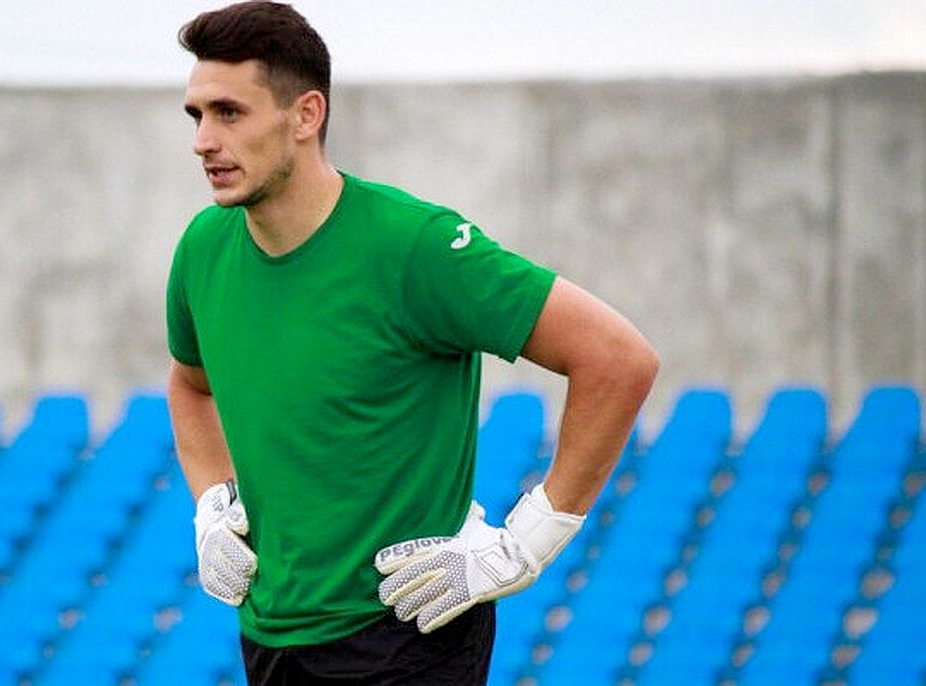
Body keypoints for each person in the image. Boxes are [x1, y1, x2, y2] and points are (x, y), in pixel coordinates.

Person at [165, 2, 659, 683]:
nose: (203, 140)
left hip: (409, 634)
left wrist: (526, 544)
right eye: (196, 114)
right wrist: (211, 507)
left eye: (229, 112)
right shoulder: (202, 249)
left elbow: (618, 359)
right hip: (269, 636)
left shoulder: (414, 247)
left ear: (306, 115)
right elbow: (190, 385)